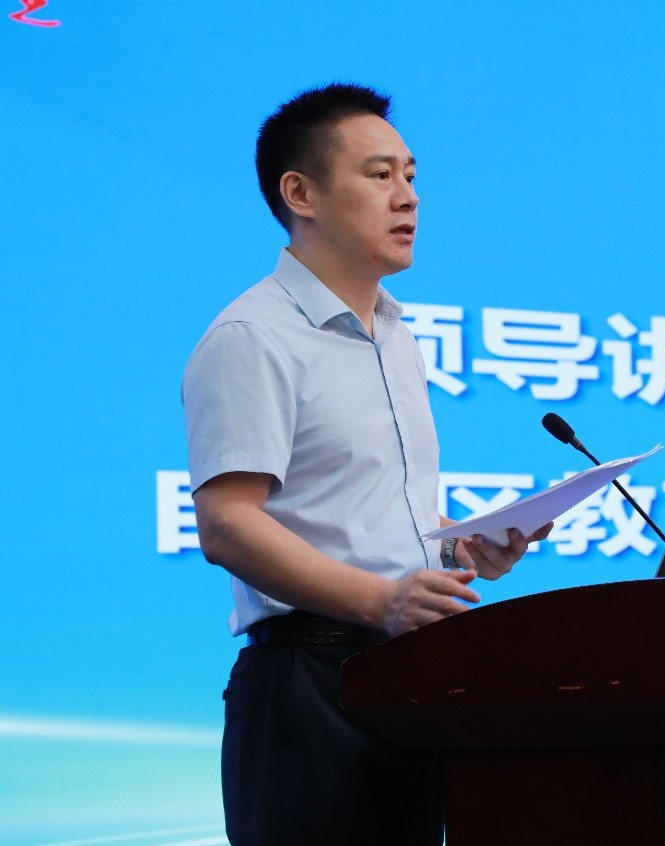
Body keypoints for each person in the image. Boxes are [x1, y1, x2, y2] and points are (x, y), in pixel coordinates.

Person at [182, 82, 551, 846]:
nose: (407, 196)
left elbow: (362, 508)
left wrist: (461, 544)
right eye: (379, 175)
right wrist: (381, 600)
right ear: (301, 194)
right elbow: (226, 524)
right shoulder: (254, 335)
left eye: (410, 176)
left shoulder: (395, 335)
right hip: (309, 683)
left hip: (409, 677)